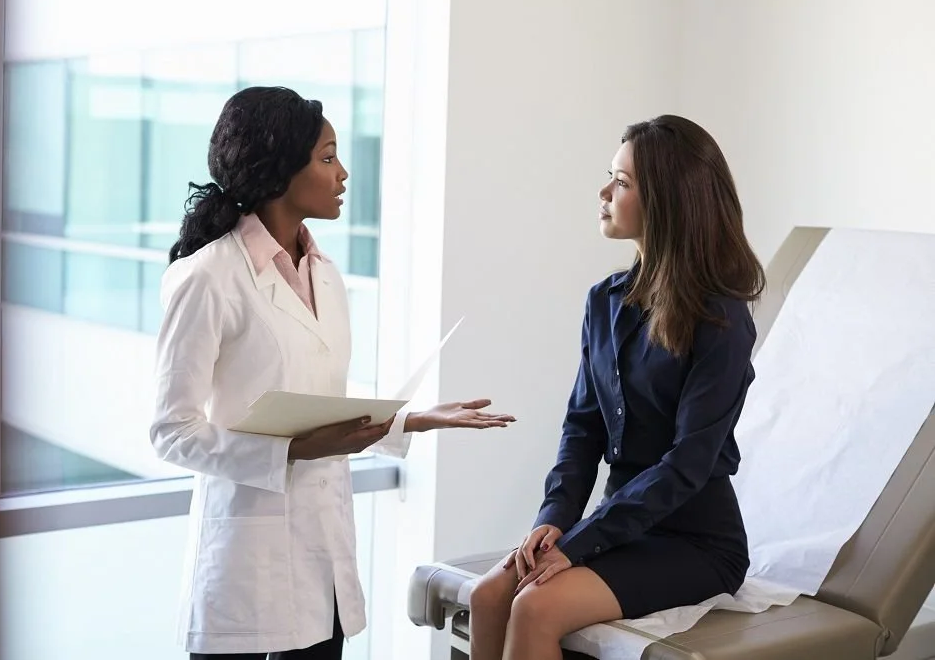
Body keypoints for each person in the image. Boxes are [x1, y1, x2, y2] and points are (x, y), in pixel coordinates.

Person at [150, 86, 515, 660]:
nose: (343, 172)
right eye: (326, 157)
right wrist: (292, 452)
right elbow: (173, 431)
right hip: (246, 569)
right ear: (278, 169)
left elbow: (323, 410)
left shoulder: (325, 274)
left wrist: (414, 419)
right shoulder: (209, 276)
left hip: (323, 569)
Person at [467, 115, 766, 660]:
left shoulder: (721, 319)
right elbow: (582, 429)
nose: (604, 192)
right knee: (489, 595)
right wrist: (555, 521)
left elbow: (688, 464)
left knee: (534, 605)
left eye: (622, 182)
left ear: (667, 201)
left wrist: (582, 543)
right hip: (621, 526)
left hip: (696, 542)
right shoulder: (605, 300)